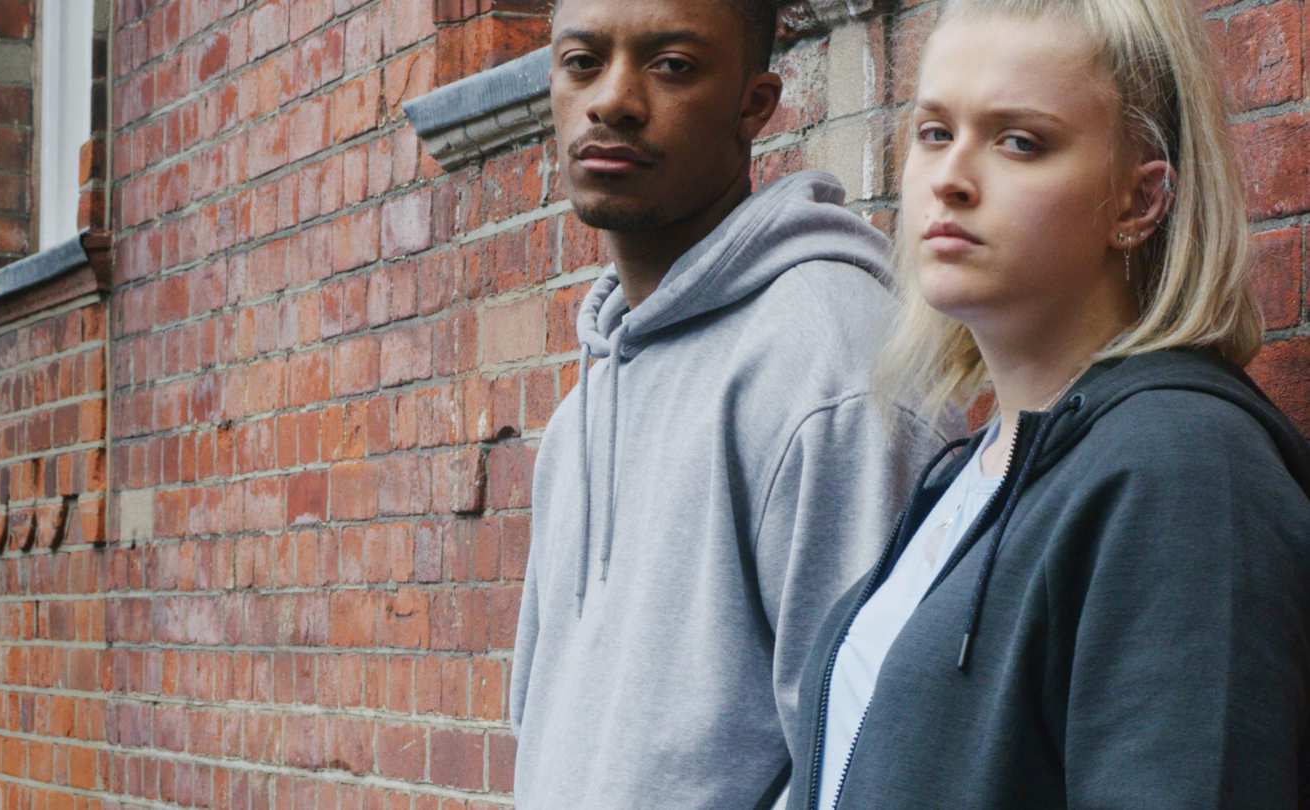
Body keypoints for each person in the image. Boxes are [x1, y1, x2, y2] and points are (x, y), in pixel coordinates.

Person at [790, 1, 1310, 808]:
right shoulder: (968, 472)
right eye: (935, 132)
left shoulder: (1184, 471)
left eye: (1019, 141)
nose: (951, 178)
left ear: (1139, 202)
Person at [508, 0, 959, 806]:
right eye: (581, 63)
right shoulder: (587, 402)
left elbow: (878, 761)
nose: (612, 99)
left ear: (755, 104)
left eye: (672, 65)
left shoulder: (835, 368)